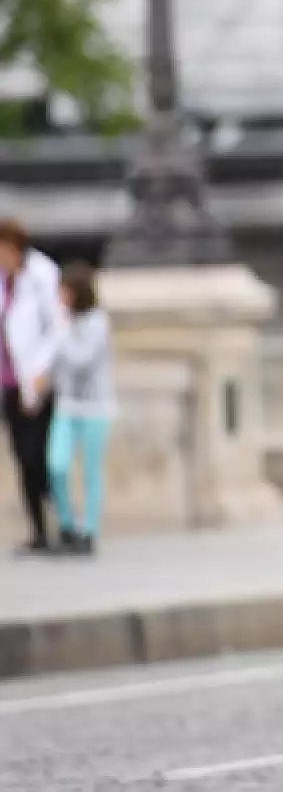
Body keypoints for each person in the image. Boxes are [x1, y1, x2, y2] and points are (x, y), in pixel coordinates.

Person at [0, 219, 63, 556]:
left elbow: (56, 327)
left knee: (39, 455)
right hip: (9, 380)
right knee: (22, 457)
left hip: (37, 381)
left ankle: (57, 521)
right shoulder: (3, 280)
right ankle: (38, 530)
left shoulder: (41, 275)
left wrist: (41, 373)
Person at [46, 262, 114, 557]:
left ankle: (88, 532)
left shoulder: (98, 323)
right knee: (57, 465)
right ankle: (66, 524)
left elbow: (80, 359)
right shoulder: (63, 320)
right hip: (67, 405)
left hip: (95, 408)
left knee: (90, 471)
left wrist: (59, 336)